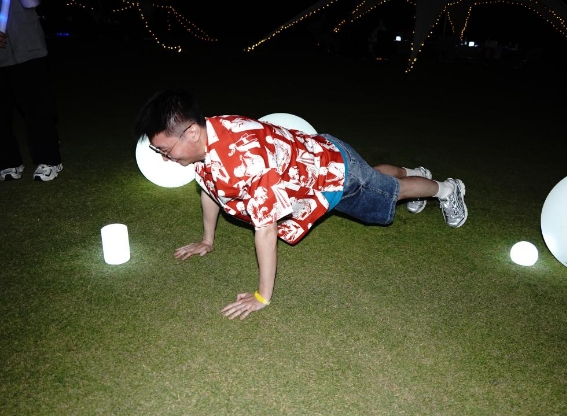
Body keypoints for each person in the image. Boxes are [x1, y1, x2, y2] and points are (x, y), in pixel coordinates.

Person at [133, 88, 468, 321]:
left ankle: (446, 189)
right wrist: (207, 240)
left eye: (165, 150)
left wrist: (262, 296)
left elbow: (266, 230)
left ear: (191, 133)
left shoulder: (245, 162)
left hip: (336, 175)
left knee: (390, 193)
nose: (164, 158)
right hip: (320, 155)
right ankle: (416, 172)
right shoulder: (210, 134)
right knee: (374, 177)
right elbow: (210, 188)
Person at [0, 0, 62, 182]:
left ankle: (49, 160)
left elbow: (31, 2)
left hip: (28, 48)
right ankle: (9, 161)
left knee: (37, 107)